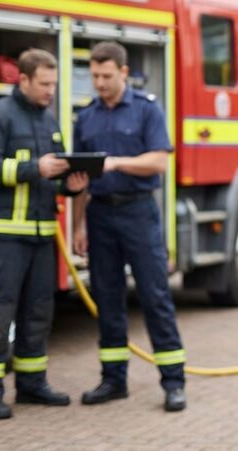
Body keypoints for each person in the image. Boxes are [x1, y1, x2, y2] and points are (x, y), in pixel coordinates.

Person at [0, 48, 89, 420]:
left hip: (40, 237)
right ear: (22, 80)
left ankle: (32, 384)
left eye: (54, 84)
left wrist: (70, 185)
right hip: (3, 238)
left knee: (39, 313)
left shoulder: (48, 120)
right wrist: (33, 167)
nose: (51, 91)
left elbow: (49, 180)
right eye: (44, 84)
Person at [71, 41, 186, 413]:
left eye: (106, 76)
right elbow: (80, 178)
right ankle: (113, 380)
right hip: (100, 215)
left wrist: (118, 163)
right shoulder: (85, 117)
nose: (99, 83)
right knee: (107, 298)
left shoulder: (146, 109)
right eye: (94, 76)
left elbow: (159, 162)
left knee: (155, 296)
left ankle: (173, 383)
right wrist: (78, 226)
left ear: (123, 72)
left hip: (138, 213)